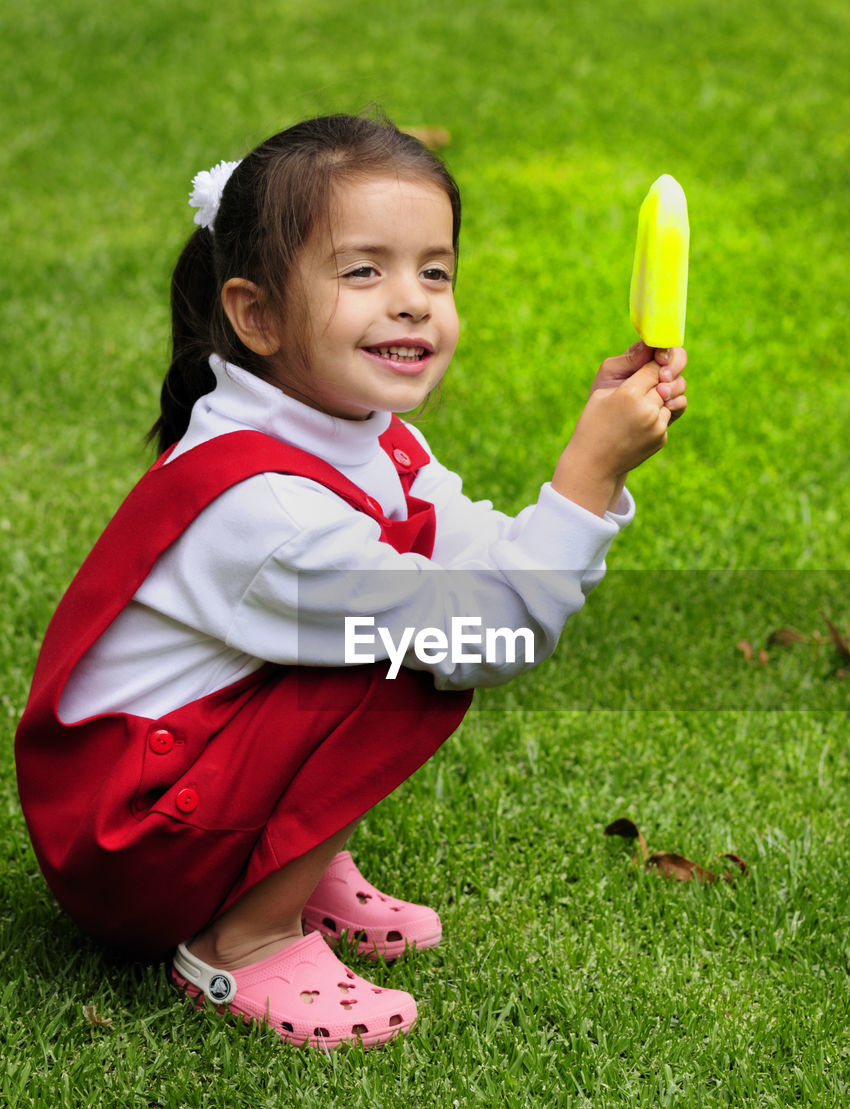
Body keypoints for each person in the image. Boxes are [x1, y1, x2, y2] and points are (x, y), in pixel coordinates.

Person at [15, 113, 687, 1051]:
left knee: (404, 620)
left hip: (177, 778)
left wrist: (587, 477)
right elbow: (492, 635)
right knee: (410, 655)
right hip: (127, 845)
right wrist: (586, 479)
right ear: (256, 315)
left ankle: (279, 860)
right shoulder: (269, 517)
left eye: (435, 270)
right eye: (363, 270)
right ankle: (239, 938)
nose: (412, 301)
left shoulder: (370, 437)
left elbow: (484, 558)